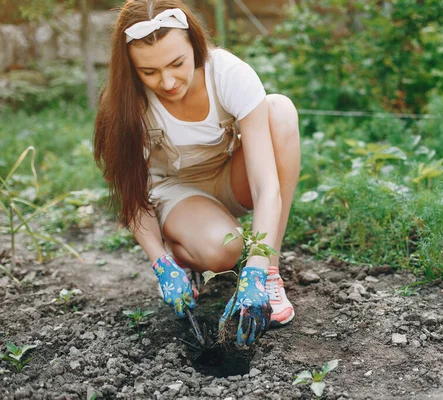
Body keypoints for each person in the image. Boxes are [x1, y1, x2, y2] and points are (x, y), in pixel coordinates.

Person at [93, 0, 300, 346]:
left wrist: (257, 271)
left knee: (279, 111)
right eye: (149, 72)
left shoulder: (228, 75)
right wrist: (160, 263)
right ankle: (181, 250)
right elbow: (132, 197)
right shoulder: (124, 104)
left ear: (195, 45)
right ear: (130, 67)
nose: (168, 81)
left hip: (229, 177)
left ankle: (270, 277)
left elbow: (265, 186)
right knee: (225, 250)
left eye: (177, 63)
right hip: (177, 191)